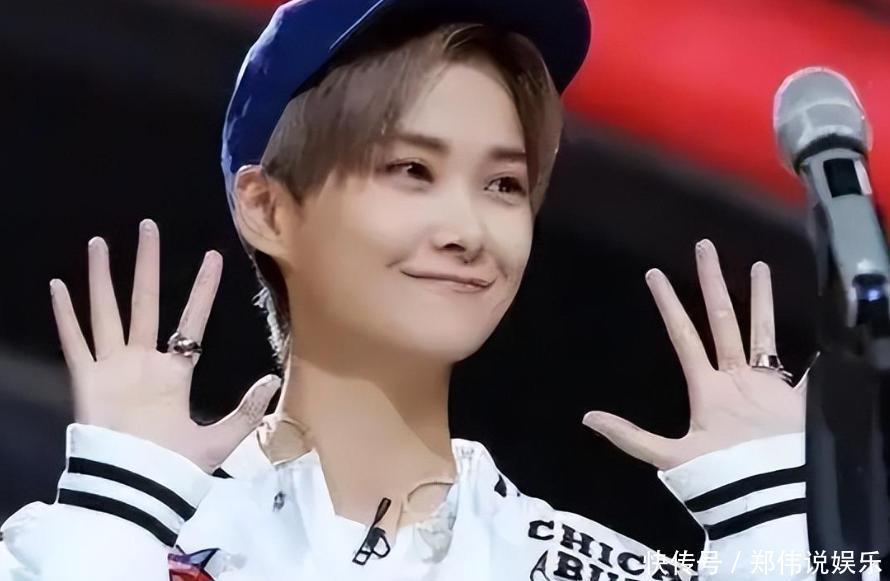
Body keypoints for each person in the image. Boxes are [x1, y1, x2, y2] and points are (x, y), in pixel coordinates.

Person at [0, 0, 814, 579]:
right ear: (270, 208)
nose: (468, 228)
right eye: (412, 170)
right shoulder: (107, 536)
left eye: (503, 184)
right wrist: (117, 517)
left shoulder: (583, 565)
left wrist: (770, 528)